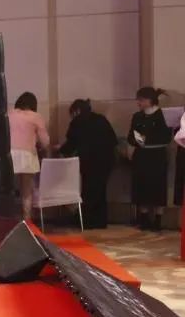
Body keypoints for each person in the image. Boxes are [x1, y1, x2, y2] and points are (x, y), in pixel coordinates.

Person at [57, 99, 118, 229]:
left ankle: (88, 221)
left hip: (90, 161)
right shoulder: (101, 119)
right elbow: (113, 139)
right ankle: (101, 221)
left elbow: (71, 143)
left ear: (76, 111)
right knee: (101, 190)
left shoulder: (77, 122)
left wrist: (60, 150)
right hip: (107, 160)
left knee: (88, 190)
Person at [127, 86, 172, 231]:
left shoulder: (163, 115)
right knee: (141, 186)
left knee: (158, 186)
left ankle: (158, 220)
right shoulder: (137, 116)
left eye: (141, 100)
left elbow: (165, 137)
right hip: (141, 155)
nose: (138, 103)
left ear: (149, 100)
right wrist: (141, 140)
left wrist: (145, 139)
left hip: (157, 155)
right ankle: (144, 218)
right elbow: (131, 137)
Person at [7, 92, 50, 221]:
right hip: (27, 157)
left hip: (10, 156)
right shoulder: (36, 117)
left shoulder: (9, 114)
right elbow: (45, 141)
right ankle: (27, 220)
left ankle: (10, 220)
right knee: (26, 192)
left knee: (9, 190)